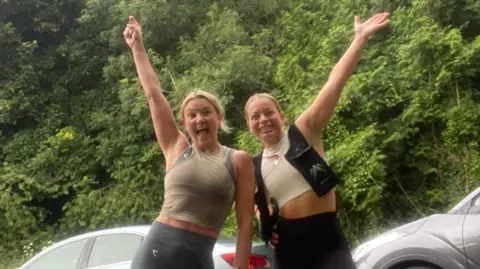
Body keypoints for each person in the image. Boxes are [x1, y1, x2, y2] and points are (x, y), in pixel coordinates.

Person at [245, 12, 390, 269]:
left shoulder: (304, 131)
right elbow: (256, 203)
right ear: (249, 125)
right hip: (289, 247)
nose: (263, 119)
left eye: (269, 112)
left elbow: (334, 83)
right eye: (255, 116)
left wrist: (359, 39)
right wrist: (265, 221)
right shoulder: (254, 164)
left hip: (328, 240)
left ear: (281, 115)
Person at [123, 15, 256, 269]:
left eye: (206, 112)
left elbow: (245, 222)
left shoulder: (238, 160)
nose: (199, 119)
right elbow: (153, 94)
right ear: (184, 123)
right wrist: (137, 47)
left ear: (218, 117)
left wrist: (241, 267)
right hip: (155, 251)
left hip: (197, 256)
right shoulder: (176, 148)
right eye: (191, 115)